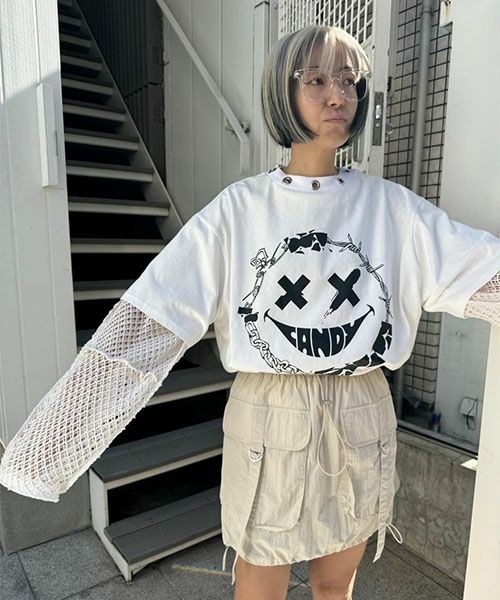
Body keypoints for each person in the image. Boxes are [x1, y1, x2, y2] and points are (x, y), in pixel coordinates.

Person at [1, 24, 500, 600]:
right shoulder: (240, 211)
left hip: (364, 409)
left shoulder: (394, 211)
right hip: (268, 412)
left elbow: (480, 270)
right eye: (316, 80)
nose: (338, 95)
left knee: (336, 585)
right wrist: (48, 449)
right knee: (259, 584)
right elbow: (149, 321)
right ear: (283, 92)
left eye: (349, 80)